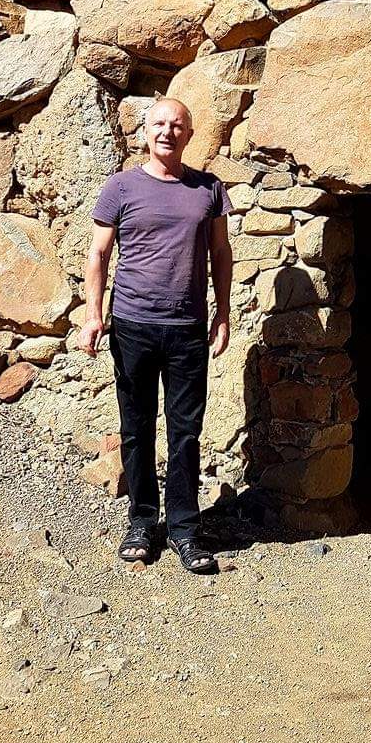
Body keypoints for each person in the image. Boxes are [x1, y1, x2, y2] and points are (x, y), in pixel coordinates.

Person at [79, 96, 233, 573]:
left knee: (185, 432)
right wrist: (93, 315)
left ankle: (185, 529)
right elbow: (98, 253)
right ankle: (143, 522)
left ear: (190, 134)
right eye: (159, 124)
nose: (168, 131)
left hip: (187, 329)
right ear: (145, 133)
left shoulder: (209, 188)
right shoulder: (121, 187)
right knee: (137, 427)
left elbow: (221, 253)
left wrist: (223, 313)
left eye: (177, 125)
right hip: (133, 326)